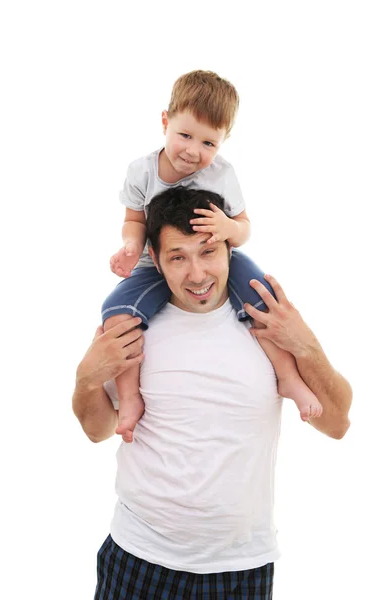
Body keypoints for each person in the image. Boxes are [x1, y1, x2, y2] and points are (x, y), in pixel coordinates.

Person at [73, 187, 353, 600]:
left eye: (207, 252)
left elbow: (337, 423)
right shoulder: (132, 327)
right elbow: (98, 430)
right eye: (178, 257)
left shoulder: (270, 324)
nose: (198, 274)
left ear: (229, 248)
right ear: (154, 256)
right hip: (139, 554)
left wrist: (305, 344)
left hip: (242, 566)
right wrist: (86, 378)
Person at [101, 69, 322, 443]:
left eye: (208, 143)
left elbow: (244, 228)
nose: (192, 151)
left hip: (219, 258)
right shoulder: (142, 171)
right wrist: (131, 246)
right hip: (154, 263)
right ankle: (129, 397)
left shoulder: (222, 175)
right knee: (116, 315)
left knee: (261, 298)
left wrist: (228, 229)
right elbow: (133, 219)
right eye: (185, 135)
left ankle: (287, 378)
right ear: (165, 122)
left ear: (223, 143)